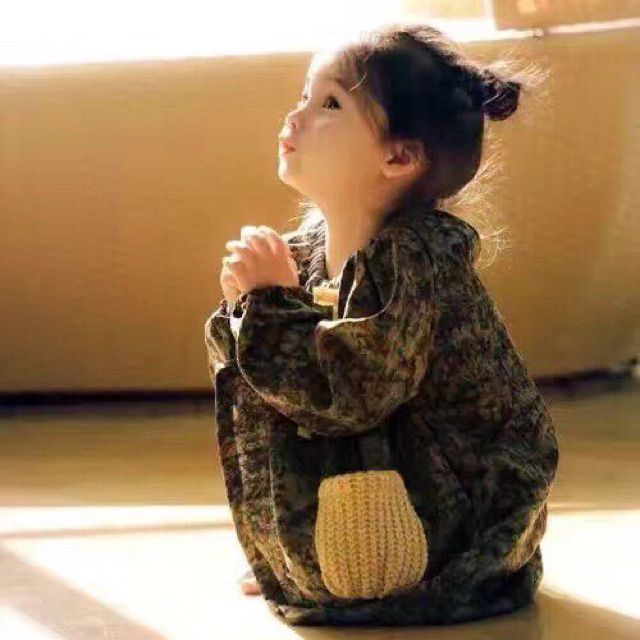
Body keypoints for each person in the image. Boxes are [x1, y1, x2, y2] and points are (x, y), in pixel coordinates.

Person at [204, 22, 559, 626]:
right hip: (386, 492)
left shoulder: (415, 258)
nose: (296, 116)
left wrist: (270, 306)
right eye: (304, 95)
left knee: (327, 382)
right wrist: (248, 308)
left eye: (330, 105)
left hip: (457, 520)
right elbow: (284, 384)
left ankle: (370, 572)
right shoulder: (309, 250)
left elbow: (354, 393)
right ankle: (303, 551)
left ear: (398, 157)